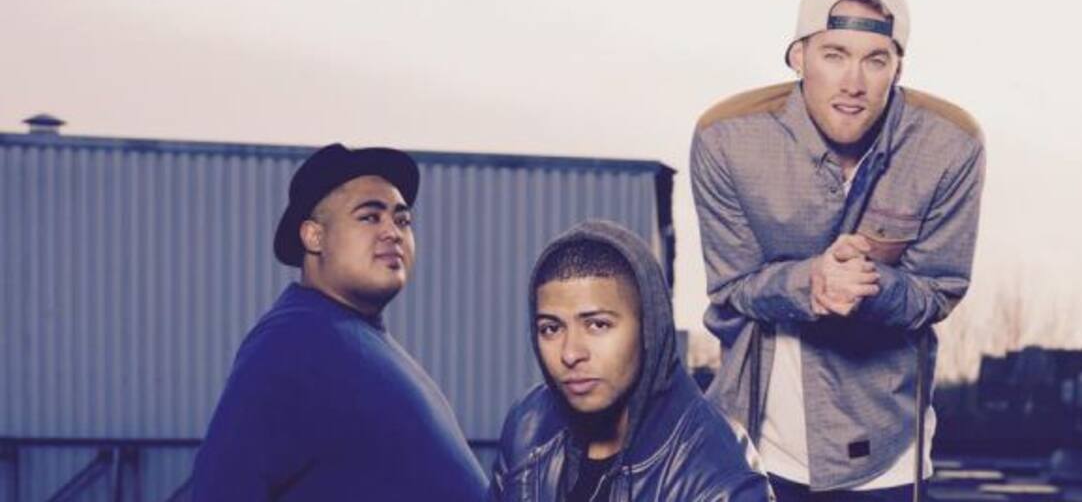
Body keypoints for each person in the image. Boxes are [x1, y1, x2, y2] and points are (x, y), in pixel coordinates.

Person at [690, 0, 986, 500]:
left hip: (888, 450)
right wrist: (812, 283)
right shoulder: (726, 138)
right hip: (755, 440)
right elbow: (732, 286)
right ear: (798, 57)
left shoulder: (950, 145)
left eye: (876, 59)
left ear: (897, 68)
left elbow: (938, 290)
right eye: (834, 54)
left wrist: (870, 285)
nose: (854, 82)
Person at [192, 143, 487, 501]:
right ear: (314, 236)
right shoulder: (293, 341)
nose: (393, 232)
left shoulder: (363, 342)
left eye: (402, 220)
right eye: (370, 217)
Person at [489, 220, 772, 501]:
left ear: (649, 328)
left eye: (598, 325)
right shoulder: (528, 424)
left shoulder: (720, 475)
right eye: (551, 329)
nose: (570, 353)